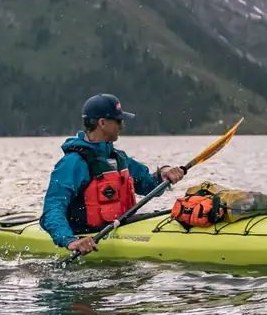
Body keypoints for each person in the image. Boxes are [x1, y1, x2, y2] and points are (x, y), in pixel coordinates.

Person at [39, 93, 185, 255]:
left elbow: (148, 185)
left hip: (120, 227)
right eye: (118, 121)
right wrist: (70, 241)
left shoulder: (117, 157)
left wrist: (164, 175)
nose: (122, 126)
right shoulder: (73, 163)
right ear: (102, 123)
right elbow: (52, 208)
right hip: (86, 234)